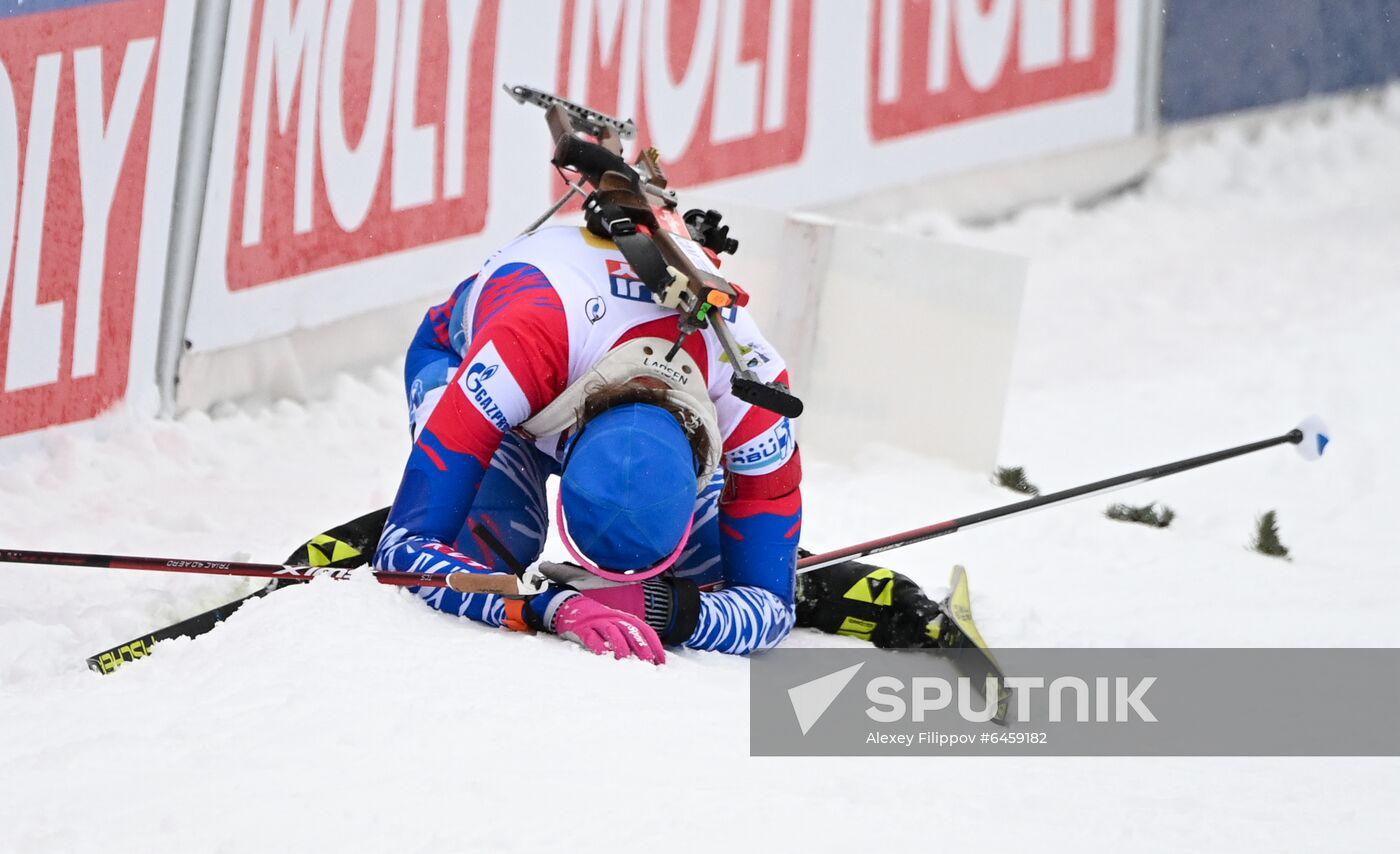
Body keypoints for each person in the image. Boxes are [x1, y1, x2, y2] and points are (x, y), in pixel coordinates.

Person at [374, 223, 802, 662]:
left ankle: (446, 497)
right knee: (496, 538)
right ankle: (447, 502)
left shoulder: (754, 387)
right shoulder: (522, 354)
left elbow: (772, 607)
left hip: (563, 357)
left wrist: (657, 607)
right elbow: (401, 556)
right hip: (470, 354)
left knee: (710, 563)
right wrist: (546, 608)